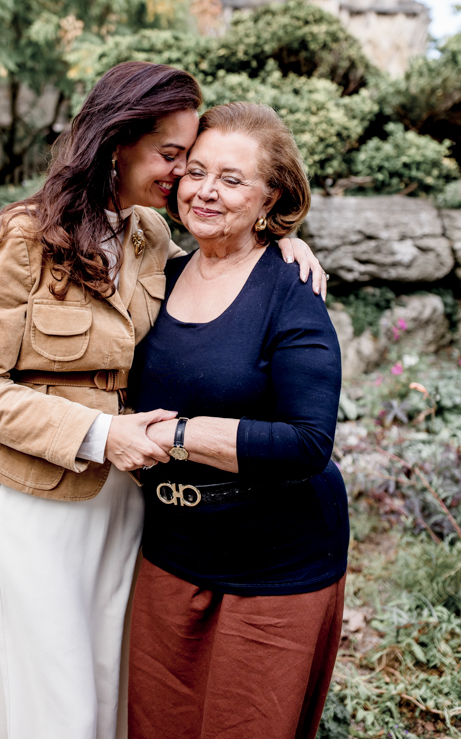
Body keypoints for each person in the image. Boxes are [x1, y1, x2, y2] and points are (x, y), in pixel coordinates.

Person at [0, 64, 326, 739]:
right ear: (118, 141)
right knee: (53, 702)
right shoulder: (21, 237)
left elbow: (222, 265)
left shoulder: (151, 238)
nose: (184, 177)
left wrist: (279, 241)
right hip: (33, 498)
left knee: (110, 690)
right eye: (173, 155)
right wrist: (99, 433)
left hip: (124, 501)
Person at [128, 101, 348, 739]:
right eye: (196, 172)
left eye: (232, 179)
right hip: (171, 552)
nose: (205, 191)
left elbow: (309, 442)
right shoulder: (156, 275)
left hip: (276, 565)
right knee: (156, 726)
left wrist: (175, 434)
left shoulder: (290, 288)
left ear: (270, 196)